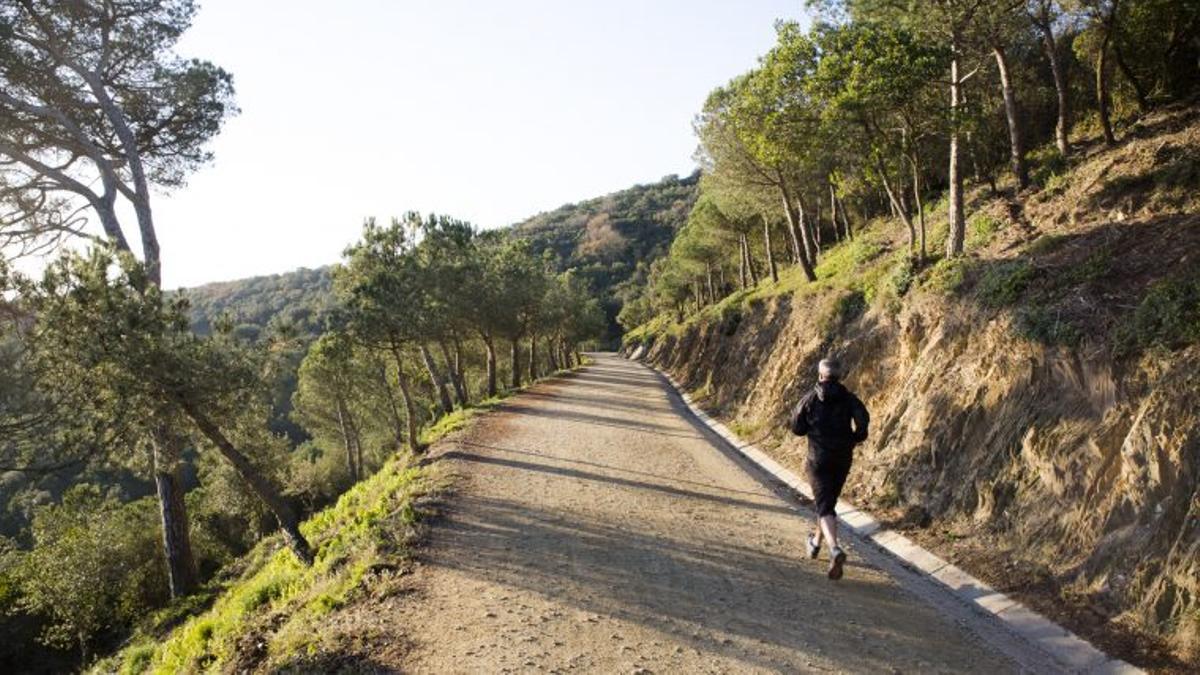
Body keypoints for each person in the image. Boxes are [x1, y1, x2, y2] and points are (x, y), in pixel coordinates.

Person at [788, 357, 869, 580]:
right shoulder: (850, 399)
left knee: (824, 508)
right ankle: (815, 543)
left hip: (818, 460)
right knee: (828, 504)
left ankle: (834, 549)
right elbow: (863, 424)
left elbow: (797, 427)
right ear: (840, 376)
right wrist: (854, 438)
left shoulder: (810, 398)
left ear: (820, 375)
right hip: (843, 459)